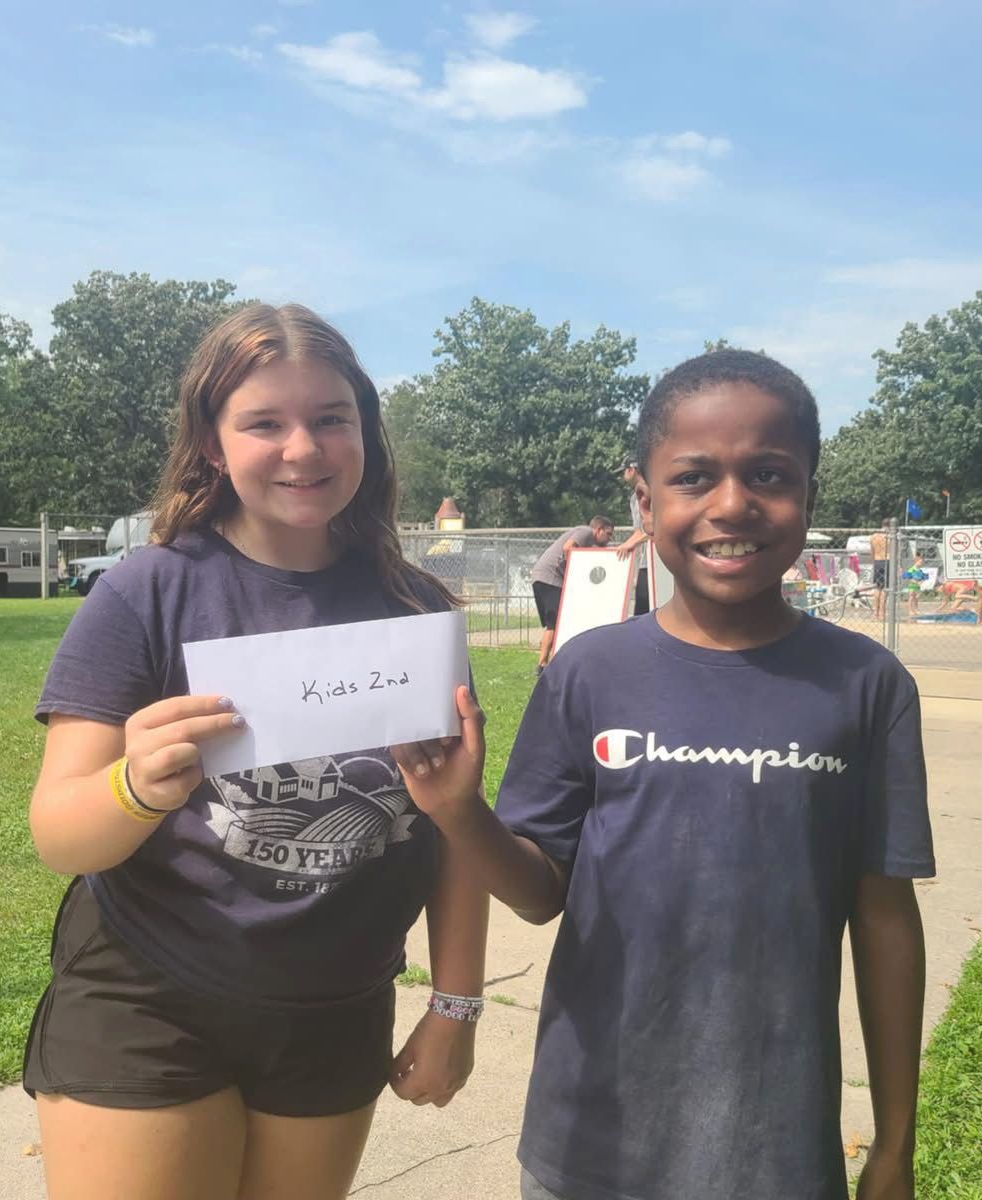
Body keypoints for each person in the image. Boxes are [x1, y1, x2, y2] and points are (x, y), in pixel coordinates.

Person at [392, 349, 934, 1200]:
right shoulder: (588, 672)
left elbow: (886, 918)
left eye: (768, 474)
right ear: (644, 500)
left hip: (777, 1148)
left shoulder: (865, 686)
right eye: (693, 477)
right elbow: (540, 893)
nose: (731, 505)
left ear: (809, 495)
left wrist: (894, 1145)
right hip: (590, 1141)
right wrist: (461, 813)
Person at [23, 303, 489, 1200]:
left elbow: (448, 828)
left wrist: (455, 1006)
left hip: (336, 1007)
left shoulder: (416, 611)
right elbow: (60, 838)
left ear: (366, 431)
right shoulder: (145, 593)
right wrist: (134, 787)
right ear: (210, 441)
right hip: (149, 995)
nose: (303, 450)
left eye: (331, 419)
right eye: (264, 423)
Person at [530, 516, 615, 673]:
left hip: (542, 577)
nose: (609, 539)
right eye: (608, 534)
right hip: (551, 578)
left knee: (553, 624)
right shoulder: (586, 532)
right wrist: (579, 570)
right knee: (557, 623)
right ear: (598, 529)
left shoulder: (588, 541)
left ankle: (543, 664)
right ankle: (544, 665)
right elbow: (568, 548)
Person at [614, 460, 651, 615]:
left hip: (658, 561)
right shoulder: (634, 499)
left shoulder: (655, 491)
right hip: (645, 562)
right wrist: (622, 547)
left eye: (624, 471)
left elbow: (654, 528)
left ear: (632, 469)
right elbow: (639, 531)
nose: (623, 476)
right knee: (641, 609)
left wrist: (632, 544)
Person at [870, 519, 890, 620]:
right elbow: (893, 551)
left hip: (877, 561)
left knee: (877, 588)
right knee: (885, 589)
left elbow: (872, 551)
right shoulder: (889, 536)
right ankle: (882, 613)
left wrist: (874, 562)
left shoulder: (874, 536)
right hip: (887, 560)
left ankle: (875, 613)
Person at [902, 554, 927, 620]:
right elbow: (907, 577)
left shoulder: (919, 570)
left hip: (918, 585)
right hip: (912, 585)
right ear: (916, 562)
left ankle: (916, 609)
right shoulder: (912, 569)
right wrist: (914, 581)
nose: (921, 564)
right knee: (911, 597)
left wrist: (921, 582)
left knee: (917, 597)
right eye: (920, 562)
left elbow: (923, 577)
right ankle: (910, 610)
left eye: (922, 562)